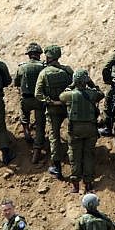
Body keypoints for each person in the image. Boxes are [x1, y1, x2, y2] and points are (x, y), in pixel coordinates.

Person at [60, 70, 105, 194]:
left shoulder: (69, 95)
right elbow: (101, 94)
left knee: (75, 156)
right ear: (86, 81)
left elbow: (61, 96)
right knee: (88, 155)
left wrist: (71, 85)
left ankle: (75, 186)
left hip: (75, 130)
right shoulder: (93, 94)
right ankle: (89, 184)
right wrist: (91, 83)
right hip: (91, 128)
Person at [34, 45, 74, 174]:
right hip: (67, 108)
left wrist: (50, 101)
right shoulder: (68, 71)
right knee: (72, 135)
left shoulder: (44, 73)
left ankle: (57, 166)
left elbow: (38, 94)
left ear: (48, 57)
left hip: (53, 109)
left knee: (54, 137)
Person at [13, 43, 45, 146]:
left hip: (26, 98)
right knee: (40, 123)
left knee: (24, 115)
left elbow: (16, 83)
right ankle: (38, 142)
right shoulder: (43, 67)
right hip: (39, 99)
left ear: (29, 55)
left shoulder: (22, 67)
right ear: (39, 54)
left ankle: (26, 132)